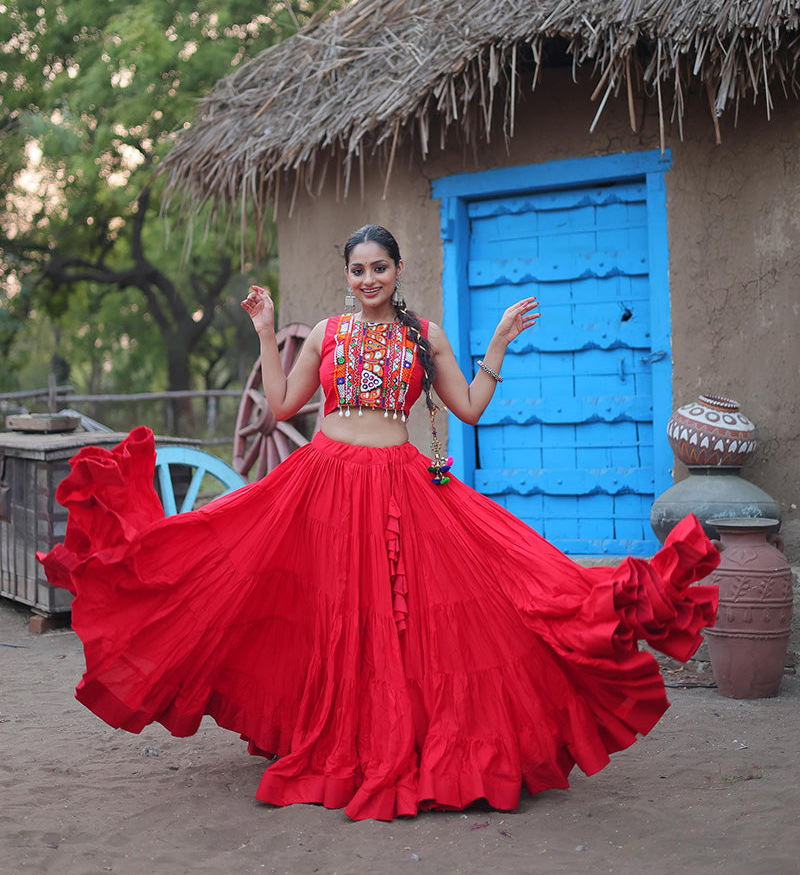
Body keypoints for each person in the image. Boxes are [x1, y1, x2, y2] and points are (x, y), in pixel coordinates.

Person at [40, 224, 719, 822]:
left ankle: (413, 737)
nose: (369, 279)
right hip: (326, 484)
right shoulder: (330, 336)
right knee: (324, 610)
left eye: (380, 267)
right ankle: (333, 734)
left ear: (397, 272)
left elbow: (471, 407)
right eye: (358, 269)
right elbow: (280, 407)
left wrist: (501, 346)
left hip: (401, 487)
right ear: (347, 277)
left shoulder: (424, 336)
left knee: (436, 609)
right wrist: (262, 330)